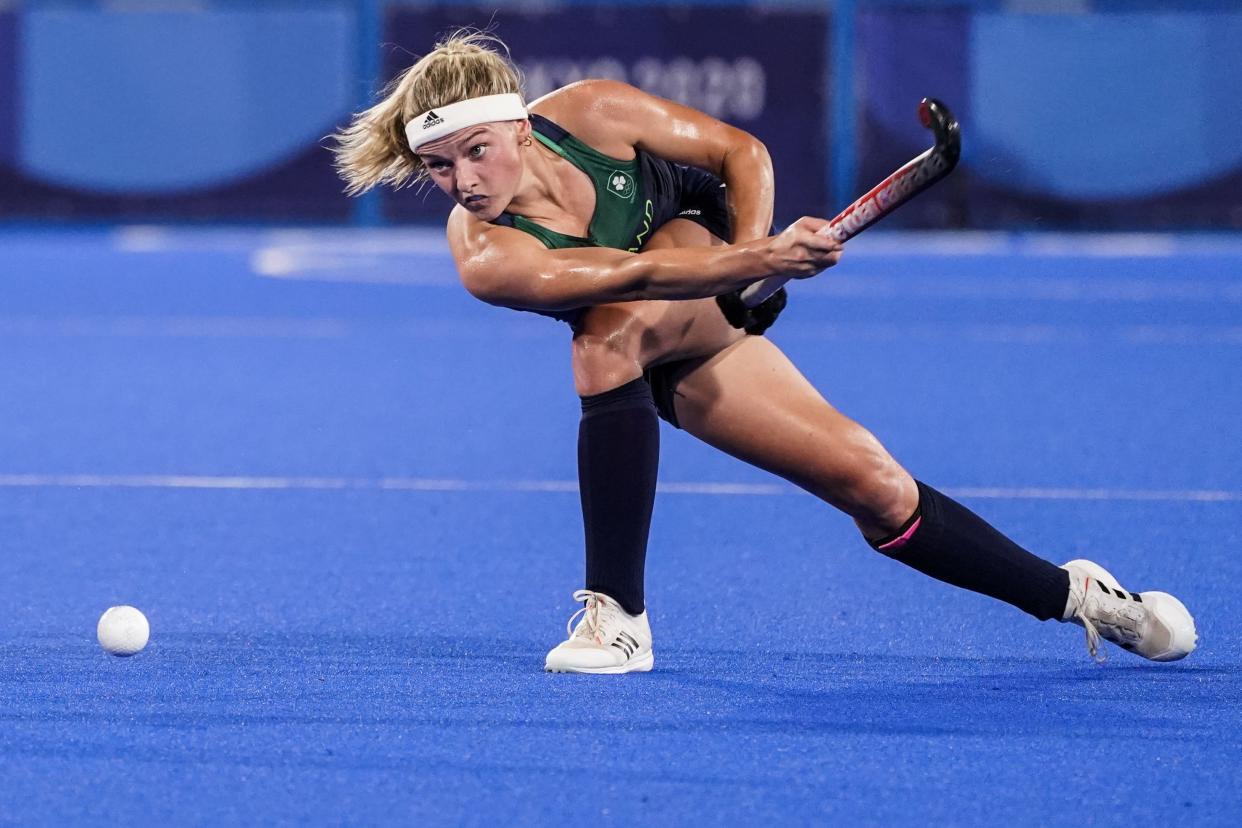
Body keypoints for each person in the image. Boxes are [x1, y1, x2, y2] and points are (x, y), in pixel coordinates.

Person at [330, 31, 1197, 674]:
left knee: (878, 487)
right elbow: (631, 273)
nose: (465, 182)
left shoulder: (590, 111)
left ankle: (1080, 598)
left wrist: (749, 261)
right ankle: (619, 617)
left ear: (519, 127)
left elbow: (739, 151)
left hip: (707, 279)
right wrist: (763, 263)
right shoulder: (486, 254)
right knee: (623, 338)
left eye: (475, 151)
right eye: (439, 168)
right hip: (662, 326)